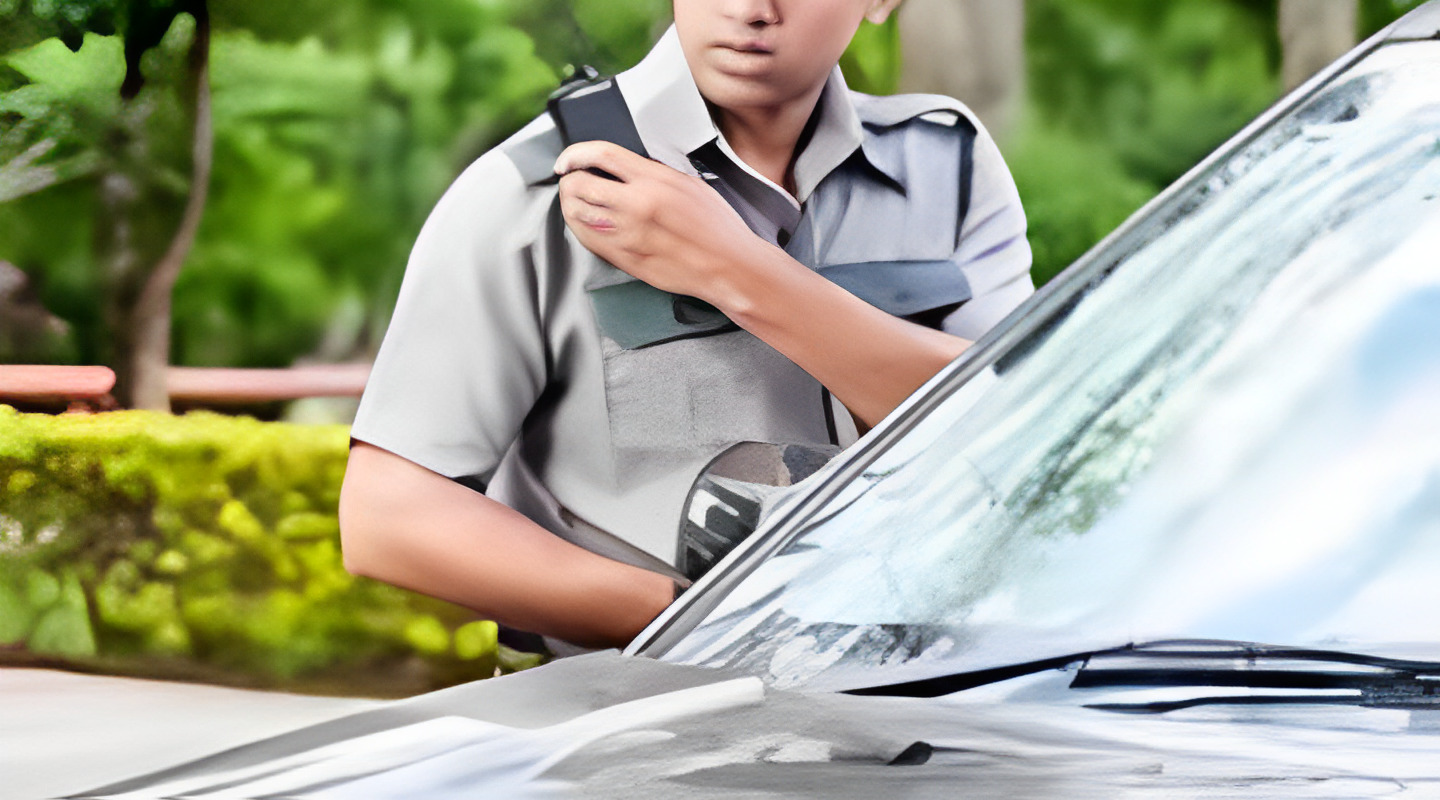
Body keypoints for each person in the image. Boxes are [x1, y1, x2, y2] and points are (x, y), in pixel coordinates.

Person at [339, 0, 1033, 650]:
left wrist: (732, 268)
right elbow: (389, 518)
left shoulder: (950, 166)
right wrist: (704, 623)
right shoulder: (535, 192)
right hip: (625, 736)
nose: (752, 8)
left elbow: (1020, 442)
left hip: (924, 715)